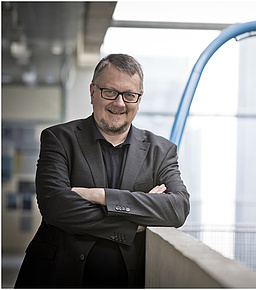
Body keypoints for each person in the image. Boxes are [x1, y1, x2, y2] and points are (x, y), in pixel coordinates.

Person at [14, 54, 190, 288]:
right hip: (56, 277)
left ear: (139, 99)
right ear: (92, 92)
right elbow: (55, 205)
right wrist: (132, 223)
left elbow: (178, 208)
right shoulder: (59, 139)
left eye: (129, 95)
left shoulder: (161, 151)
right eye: (110, 92)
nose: (119, 103)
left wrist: (101, 196)